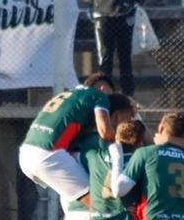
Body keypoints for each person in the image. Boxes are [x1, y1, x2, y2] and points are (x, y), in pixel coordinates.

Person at [19, 71, 117, 211]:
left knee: (74, 198)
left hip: (26, 153)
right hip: (48, 155)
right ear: (104, 89)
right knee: (101, 206)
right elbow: (106, 132)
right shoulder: (99, 96)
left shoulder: (68, 95)